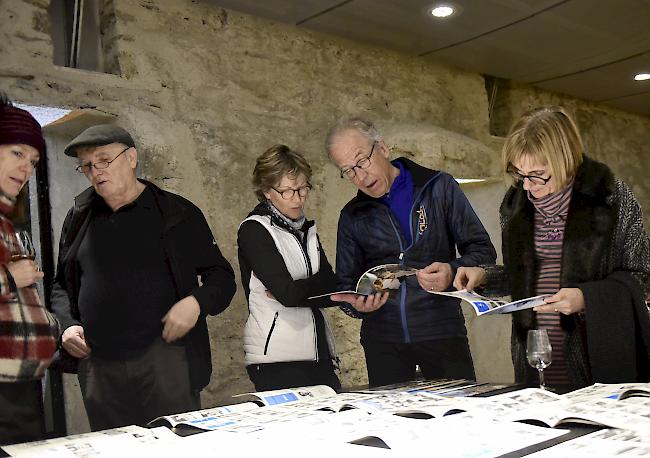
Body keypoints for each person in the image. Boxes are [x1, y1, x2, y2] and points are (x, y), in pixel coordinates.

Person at [50, 124, 236, 430]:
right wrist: (68, 327)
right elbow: (61, 285)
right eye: (86, 166)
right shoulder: (78, 216)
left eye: (104, 160)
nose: (95, 171)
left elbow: (221, 277)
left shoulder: (177, 213)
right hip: (100, 365)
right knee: (114, 449)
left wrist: (196, 303)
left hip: (166, 360)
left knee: (174, 447)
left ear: (132, 157)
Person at [454, 106, 650, 387]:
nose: (528, 187)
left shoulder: (610, 198)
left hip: (596, 354)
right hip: (534, 353)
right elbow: (520, 278)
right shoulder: (515, 207)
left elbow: (642, 278)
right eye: (520, 174)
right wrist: (485, 276)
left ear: (566, 161)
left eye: (538, 175)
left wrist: (585, 298)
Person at [325, 117, 496, 387]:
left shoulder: (439, 187)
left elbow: (483, 252)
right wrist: (356, 304)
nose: (359, 176)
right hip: (383, 341)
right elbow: (346, 282)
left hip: (441, 332)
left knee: (458, 420)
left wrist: (451, 271)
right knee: (392, 424)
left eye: (362, 161)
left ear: (382, 148)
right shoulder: (351, 215)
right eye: (347, 171)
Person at [238, 145, 340, 391]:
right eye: (287, 191)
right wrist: (310, 289)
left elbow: (331, 284)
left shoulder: (306, 229)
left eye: (303, 188)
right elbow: (289, 294)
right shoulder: (255, 230)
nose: (297, 198)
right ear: (266, 191)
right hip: (278, 360)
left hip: (318, 354)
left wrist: (303, 290)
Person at [0, 94, 59, 444]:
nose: (26, 169)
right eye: (17, 153)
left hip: (20, 386)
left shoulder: (7, 222)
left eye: (33, 161)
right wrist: (10, 277)